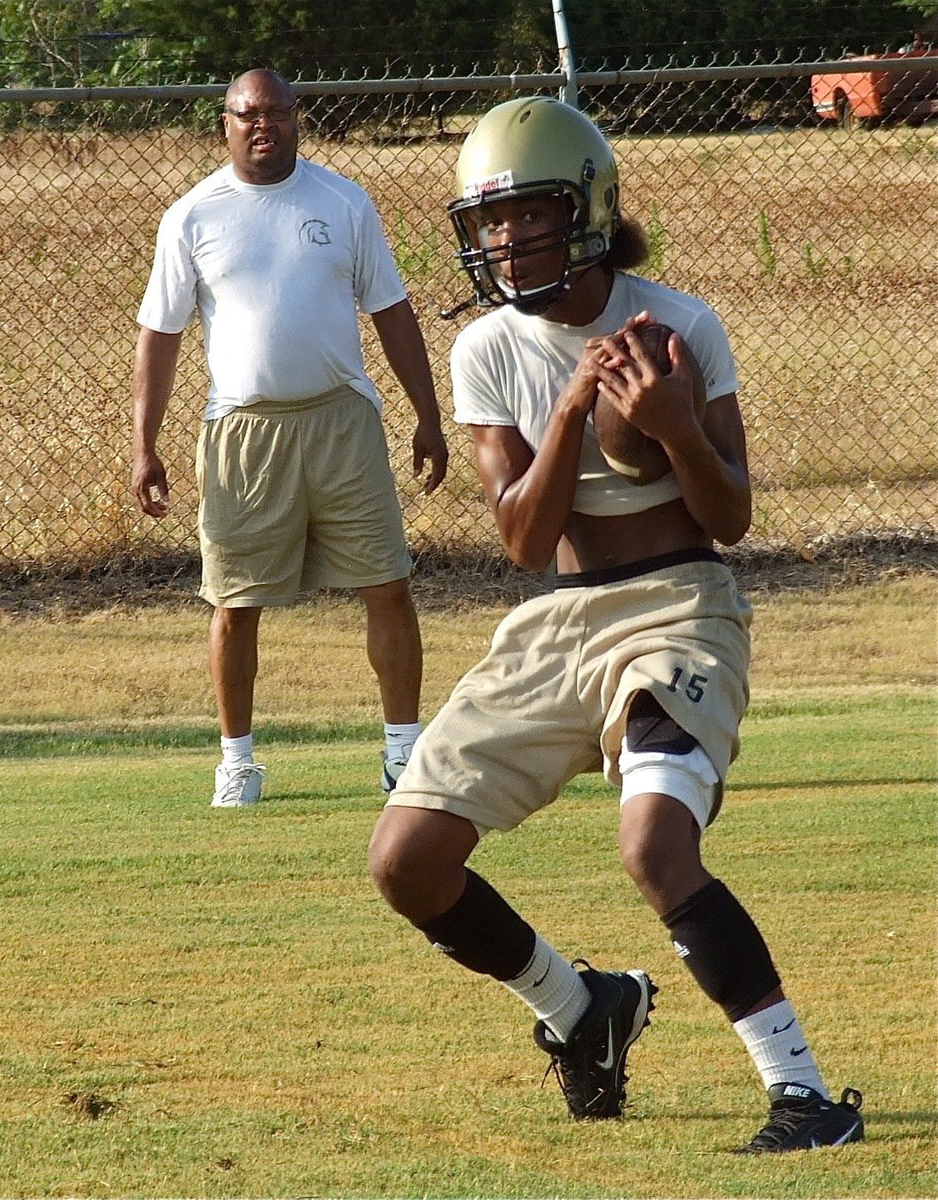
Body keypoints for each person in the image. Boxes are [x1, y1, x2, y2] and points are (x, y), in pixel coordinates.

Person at [368, 96, 864, 1152]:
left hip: (680, 607)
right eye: (489, 221)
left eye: (528, 214)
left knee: (653, 845)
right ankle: (580, 1007)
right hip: (557, 620)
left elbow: (729, 516)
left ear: (585, 211)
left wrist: (674, 426)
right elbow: (522, 539)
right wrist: (563, 413)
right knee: (405, 861)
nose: (506, 240)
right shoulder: (486, 348)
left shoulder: (678, 324)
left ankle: (804, 1097)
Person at [132, 69, 448, 807]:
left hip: (343, 423)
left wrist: (427, 416)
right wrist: (144, 444)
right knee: (234, 602)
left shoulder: (344, 202)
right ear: (226, 123)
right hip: (243, 432)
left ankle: (403, 753)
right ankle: (237, 763)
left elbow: (391, 311)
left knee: (387, 585)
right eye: (248, 114)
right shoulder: (192, 216)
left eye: (276, 112)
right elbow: (160, 335)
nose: (262, 126)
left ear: (297, 119)